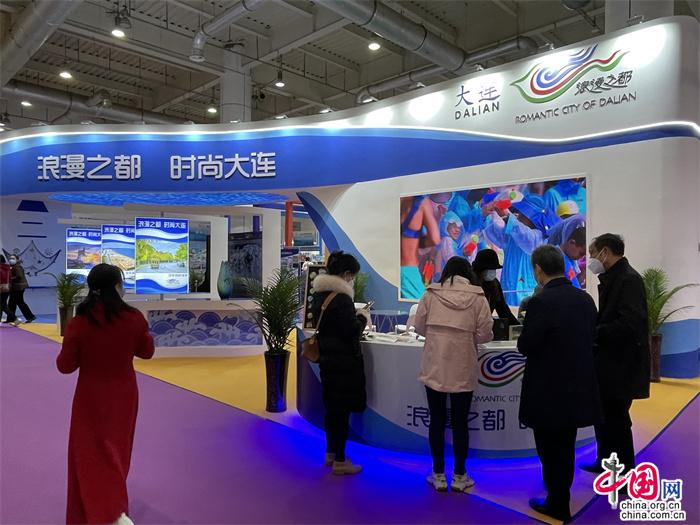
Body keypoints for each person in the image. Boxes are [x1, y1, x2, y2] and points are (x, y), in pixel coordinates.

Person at [56, 264, 155, 524]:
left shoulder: (80, 322)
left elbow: (65, 366)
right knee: (118, 453)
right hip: (124, 395)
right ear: (117, 286)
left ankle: (95, 512)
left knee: (87, 455)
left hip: (89, 397)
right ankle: (113, 511)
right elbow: (146, 351)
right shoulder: (134, 318)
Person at [517, 245, 601, 521]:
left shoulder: (540, 302)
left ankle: (557, 501)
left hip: (548, 389)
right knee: (566, 445)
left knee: (549, 447)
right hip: (577, 385)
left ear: (538, 270)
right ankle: (560, 493)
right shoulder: (585, 299)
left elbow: (525, 345)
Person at [413, 257, 493, 492]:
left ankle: (438, 474)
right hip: (463, 367)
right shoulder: (478, 297)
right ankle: (459, 476)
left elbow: (419, 327)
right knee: (460, 423)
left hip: (434, 365)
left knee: (436, 421)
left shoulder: (431, 294)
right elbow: (486, 333)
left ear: (446, 272)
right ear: (468, 273)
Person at [581, 234, 650, 475]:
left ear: (605, 252)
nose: (591, 260)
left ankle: (624, 472)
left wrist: (596, 331)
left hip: (621, 364)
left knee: (617, 420)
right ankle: (604, 461)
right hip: (608, 362)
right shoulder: (613, 278)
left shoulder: (629, 280)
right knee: (604, 417)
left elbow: (629, 323)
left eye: (592, 254)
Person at [310, 251, 371, 475]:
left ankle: (330, 452)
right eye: (352, 275)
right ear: (346, 274)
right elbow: (351, 332)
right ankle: (341, 460)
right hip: (344, 364)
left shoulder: (320, 295)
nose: (352, 279)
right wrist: (362, 317)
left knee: (331, 411)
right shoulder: (343, 299)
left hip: (327, 360)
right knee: (342, 413)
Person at [483, 194, 558, 306]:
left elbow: (525, 236)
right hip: (508, 293)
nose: (518, 216)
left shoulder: (539, 238)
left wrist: (507, 217)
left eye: (522, 214)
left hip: (528, 296)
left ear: (533, 218)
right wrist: (486, 215)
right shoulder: (513, 235)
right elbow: (494, 233)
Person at [400, 196, 440, 299]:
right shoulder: (422, 202)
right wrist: (417, 242)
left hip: (388, 269)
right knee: (422, 305)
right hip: (408, 270)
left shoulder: (394, 201)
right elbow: (435, 239)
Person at [472, 249, 519, 326]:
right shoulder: (470, 284)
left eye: (494, 269)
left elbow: (502, 309)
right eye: (490, 269)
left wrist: (516, 326)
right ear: (480, 269)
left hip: (485, 326)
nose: (493, 272)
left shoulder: (495, 284)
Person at [547, 214, 586, 288]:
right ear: (572, 242)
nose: (581, 257)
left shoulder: (569, 260)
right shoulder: (555, 259)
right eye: (581, 253)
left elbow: (574, 284)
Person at [6, 255, 36, 326]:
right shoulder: (13, 266)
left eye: (13, 258)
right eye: (10, 258)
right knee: (12, 303)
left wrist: (9, 278)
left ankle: (30, 317)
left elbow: (19, 276)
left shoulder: (17, 267)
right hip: (16, 287)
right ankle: (10, 319)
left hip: (18, 287)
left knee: (19, 302)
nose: (11, 259)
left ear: (17, 259)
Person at [0, 255, 11, 322]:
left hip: (1, 288)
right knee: (2, 304)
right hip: (7, 288)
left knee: (2, 305)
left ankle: (14, 318)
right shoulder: (8, 268)